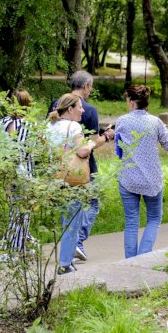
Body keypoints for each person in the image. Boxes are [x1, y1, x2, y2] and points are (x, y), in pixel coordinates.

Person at [49, 70, 115, 262]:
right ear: (86, 86)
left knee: (65, 210)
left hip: (56, 168)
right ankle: (76, 243)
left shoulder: (55, 104)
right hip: (79, 169)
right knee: (92, 203)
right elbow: (89, 144)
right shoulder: (89, 110)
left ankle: (68, 251)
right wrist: (105, 137)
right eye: (91, 87)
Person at [114, 85, 168, 258]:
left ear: (133, 103)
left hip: (128, 178)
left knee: (131, 222)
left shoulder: (122, 121)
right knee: (154, 219)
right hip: (152, 179)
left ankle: (129, 261)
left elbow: (117, 148)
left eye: (128, 100)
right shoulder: (156, 122)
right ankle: (143, 257)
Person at [47, 93, 96, 275]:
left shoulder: (49, 125)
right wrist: (91, 144)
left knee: (65, 221)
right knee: (73, 223)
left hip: (54, 178)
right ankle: (65, 264)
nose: (83, 110)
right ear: (70, 109)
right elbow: (82, 151)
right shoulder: (74, 126)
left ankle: (66, 260)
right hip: (72, 179)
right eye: (80, 107)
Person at [0, 89, 36, 255]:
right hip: (24, 172)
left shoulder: (3, 122)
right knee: (22, 212)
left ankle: (19, 242)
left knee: (15, 210)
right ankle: (12, 249)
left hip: (7, 170)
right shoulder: (29, 125)